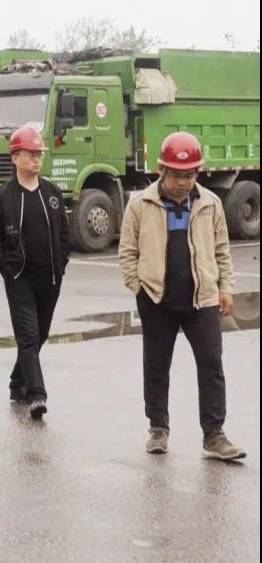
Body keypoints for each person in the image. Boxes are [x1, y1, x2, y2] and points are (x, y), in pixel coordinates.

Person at [118, 131, 245, 461]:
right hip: (156, 300)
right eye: (177, 175)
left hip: (202, 300)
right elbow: (127, 252)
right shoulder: (140, 204)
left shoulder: (210, 203)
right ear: (161, 170)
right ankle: (158, 428)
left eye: (190, 175)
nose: (184, 182)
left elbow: (222, 250)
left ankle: (214, 435)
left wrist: (225, 287)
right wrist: (139, 287)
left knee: (211, 364)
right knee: (156, 365)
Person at [0, 126, 70, 419]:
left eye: (40, 154)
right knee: (27, 336)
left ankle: (17, 382)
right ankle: (37, 394)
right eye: (31, 154)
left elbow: (64, 233)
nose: (37, 159)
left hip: (50, 278)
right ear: (15, 157)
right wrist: (7, 269)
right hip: (20, 279)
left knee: (39, 334)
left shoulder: (52, 193)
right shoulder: (3, 197)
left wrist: (61, 263)